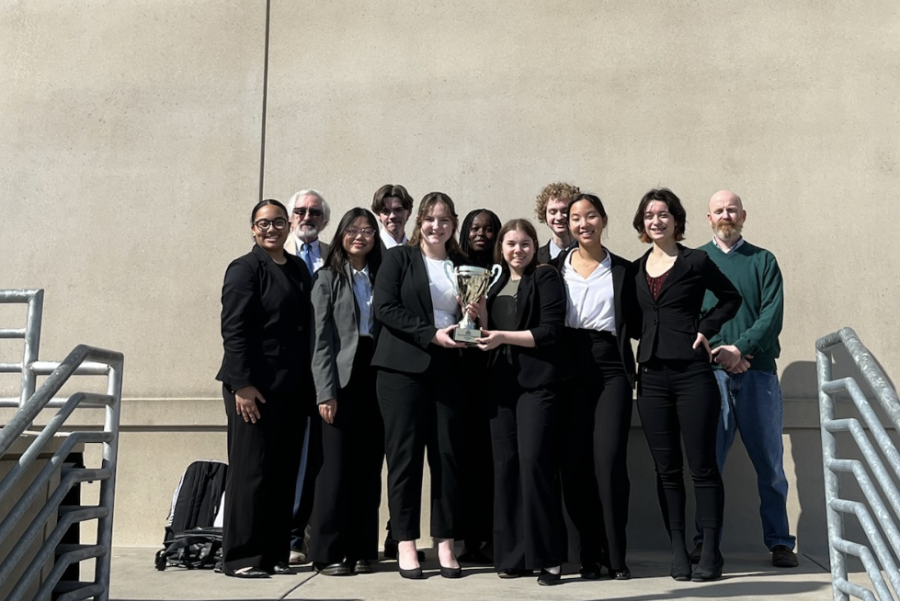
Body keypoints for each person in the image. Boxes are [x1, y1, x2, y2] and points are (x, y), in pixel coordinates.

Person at [631, 188, 741, 582]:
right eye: (648, 215)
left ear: (676, 219)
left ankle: (711, 551)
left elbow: (731, 298)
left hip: (693, 375)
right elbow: (630, 320)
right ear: (642, 224)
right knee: (667, 471)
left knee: (703, 467)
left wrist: (706, 329)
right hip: (652, 378)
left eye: (663, 214)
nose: (655, 221)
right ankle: (678, 551)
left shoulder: (696, 260)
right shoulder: (636, 268)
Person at [689, 190, 797, 568]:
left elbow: (772, 313)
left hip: (759, 374)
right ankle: (704, 541)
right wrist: (721, 352)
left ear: (743, 214)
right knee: (709, 464)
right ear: (708, 217)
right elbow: (691, 316)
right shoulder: (697, 262)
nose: (726, 215)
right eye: (718, 210)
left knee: (770, 463)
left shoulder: (763, 260)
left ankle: (781, 542)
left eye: (731, 209)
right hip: (711, 375)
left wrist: (742, 349)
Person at [216, 199, 313, 578]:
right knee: (251, 473)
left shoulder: (298, 268)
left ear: (288, 226)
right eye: (262, 223)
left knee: (282, 474)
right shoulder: (244, 269)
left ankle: (274, 554)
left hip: (290, 389)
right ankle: (242, 557)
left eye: (277, 222)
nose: (271, 229)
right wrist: (242, 384)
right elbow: (234, 330)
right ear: (253, 229)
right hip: (253, 388)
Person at [372, 191, 467, 579]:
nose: (436, 226)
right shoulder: (399, 258)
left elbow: (469, 313)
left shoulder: (462, 265)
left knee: (447, 458)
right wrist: (430, 334)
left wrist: (471, 315)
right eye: (430, 218)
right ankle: (406, 543)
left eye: (444, 220)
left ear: (452, 224)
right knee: (405, 459)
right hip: (401, 372)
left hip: (449, 371)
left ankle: (445, 542)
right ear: (419, 222)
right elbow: (385, 307)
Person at [472, 219, 567, 586]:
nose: (518, 250)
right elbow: (484, 330)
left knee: (534, 465)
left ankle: (549, 559)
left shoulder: (545, 277)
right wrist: (476, 318)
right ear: (501, 248)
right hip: (500, 388)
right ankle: (511, 555)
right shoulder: (493, 281)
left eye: (525, 243)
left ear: (534, 246)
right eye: (511, 243)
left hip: (537, 386)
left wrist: (501, 337)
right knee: (506, 468)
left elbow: (550, 331)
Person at [553, 193, 637, 580]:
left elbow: (644, 320)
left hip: (610, 369)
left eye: (590, 216)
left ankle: (615, 556)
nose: (582, 223)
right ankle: (585, 555)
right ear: (567, 224)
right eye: (575, 217)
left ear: (603, 220)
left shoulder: (623, 270)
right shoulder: (552, 269)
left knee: (608, 463)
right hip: (568, 368)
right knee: (573, 465)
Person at [307, 208, 385, 576]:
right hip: (342, 378)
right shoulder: (327, 278)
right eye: (353, 230)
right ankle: (327, 552)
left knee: (369, 467)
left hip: (378, 375)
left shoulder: (383, 275)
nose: (360, 236)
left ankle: (363, 547)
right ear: (340, 235)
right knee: (335, 468)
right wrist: (325, 392)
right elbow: (320, 340)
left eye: (367, 230)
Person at [283, 188, 330, 565]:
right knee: (286, 456)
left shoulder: (334, 257)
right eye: (300, 210)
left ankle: (303, 534)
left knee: (315, 458)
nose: (307, 216)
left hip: (324, 373)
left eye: (314, 211)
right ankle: (285, 534)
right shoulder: (275, 258)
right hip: (284, 374)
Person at [455, 208, 503, 564]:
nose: (481, 234)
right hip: (460, 371)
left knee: (491, 460)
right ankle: (466, 537)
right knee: (463, 458)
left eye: (489, 229)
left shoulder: (504, 272)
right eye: (474, 228)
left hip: (495, 373)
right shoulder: (453, 267)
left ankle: (491, 535)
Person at [284, 189, 331, 274]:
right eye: (300, 211)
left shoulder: (333, 254)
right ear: (290, 218)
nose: (307, 217)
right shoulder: (278, 250)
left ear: (325, 221)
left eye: (315, 213)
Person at [534, 182, 580, 264]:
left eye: (565, 211)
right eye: (553, 212)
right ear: (545, 216)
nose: (559, 217)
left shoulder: (589, 254)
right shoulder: (534, 258)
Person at [372, 184, 414, 249]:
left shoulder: (417, 252)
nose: (392, 216)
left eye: (398, 210)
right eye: (385, 211)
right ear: (378, 215)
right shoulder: (370, 251)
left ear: (409, 212)